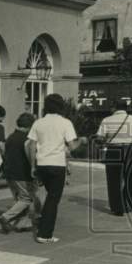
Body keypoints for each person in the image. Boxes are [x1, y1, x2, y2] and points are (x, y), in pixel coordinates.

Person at [25, 93, 86, 243]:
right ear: (61, 106)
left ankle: (42, 221)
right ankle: (44, 234)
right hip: (57, 164)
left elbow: (31, 145)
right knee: (53, 199)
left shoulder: (38, 123)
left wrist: (32, 165)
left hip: (41, 163)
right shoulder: (66, 123)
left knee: (46, 196)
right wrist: (82, 141)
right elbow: (72, 146)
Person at [96, 98, 132, 215]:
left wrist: (104, 142)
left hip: (114, 150)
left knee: (113, 179)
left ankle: (118, 208)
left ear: (114, 107)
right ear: (126, 108)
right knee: (130, 177)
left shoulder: (107, 120)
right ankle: (130, 204)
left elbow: (99, 138)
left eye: (111, 107)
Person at [0, 112, 41, 233]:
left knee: (20, 199)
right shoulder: (27, 140)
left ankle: (22, 224)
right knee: (26, 199)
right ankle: (6, 217)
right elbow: (30, 156)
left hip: (9, 173)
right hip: (22, 173)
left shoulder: (11, 137)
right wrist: (34, 168)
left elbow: (5, 153)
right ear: (30, 126)